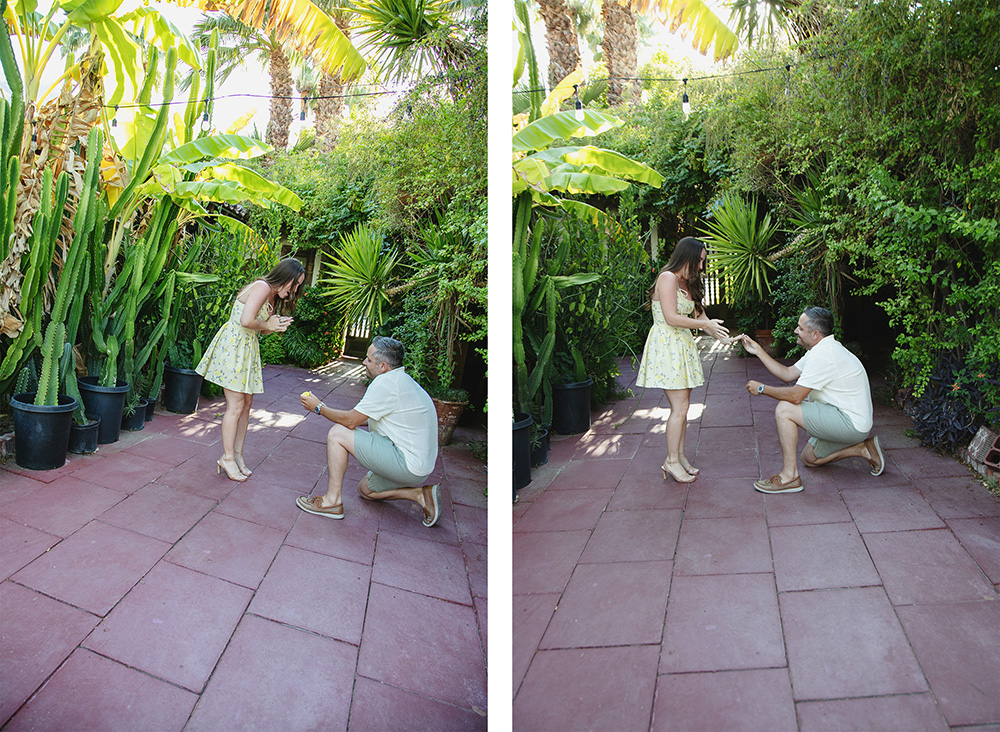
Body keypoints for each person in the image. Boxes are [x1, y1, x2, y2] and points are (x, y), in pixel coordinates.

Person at [739, 305, 885, 494]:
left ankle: (789, 477)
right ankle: (863, 449)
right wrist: (758, 350)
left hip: (850, 423)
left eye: (800, 328)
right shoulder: (821, 349)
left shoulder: (825, 355)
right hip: (847, 419)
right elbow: (788, 373)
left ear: (815, 334)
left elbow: (796, 396)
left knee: (785, 409)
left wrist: (761, 388)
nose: (795, 331)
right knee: (809, 458)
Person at [297, 336, 442, 526]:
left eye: (369, 359)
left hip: (407, 463)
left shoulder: (386, 384)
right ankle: (420, 495)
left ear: (383, 366)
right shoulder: (400, 380)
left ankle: (331, 502)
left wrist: (319, 408)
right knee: (366, 490)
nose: (364, 362)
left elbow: (350, 421)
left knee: (338, 433)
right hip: (419, 466)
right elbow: (367, 418)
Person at [196, 257, 306, 481]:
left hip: (247, 349)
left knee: (246, 406)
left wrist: (274, 326)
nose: (295, 290)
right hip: (235, 348)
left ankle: (236, 455)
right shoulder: (262, 287)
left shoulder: (271, 296)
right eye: (295, 284)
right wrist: (267, 324)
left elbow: (260, 329)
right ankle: (226, 458)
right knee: (235, 406)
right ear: (285, 277)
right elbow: (246, 321)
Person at [635, 237, 729, 483]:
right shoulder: (667, 278)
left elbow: (703, 316)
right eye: (698, 261)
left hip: (682, 347)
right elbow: (671, 318)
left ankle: (680, 457)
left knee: (684, 408)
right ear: (685, 256)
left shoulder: (688, 283)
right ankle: (671, 461)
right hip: (667, 346)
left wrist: (724, 337)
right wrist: (704, 324)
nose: (700, 266)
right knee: (680, 408)